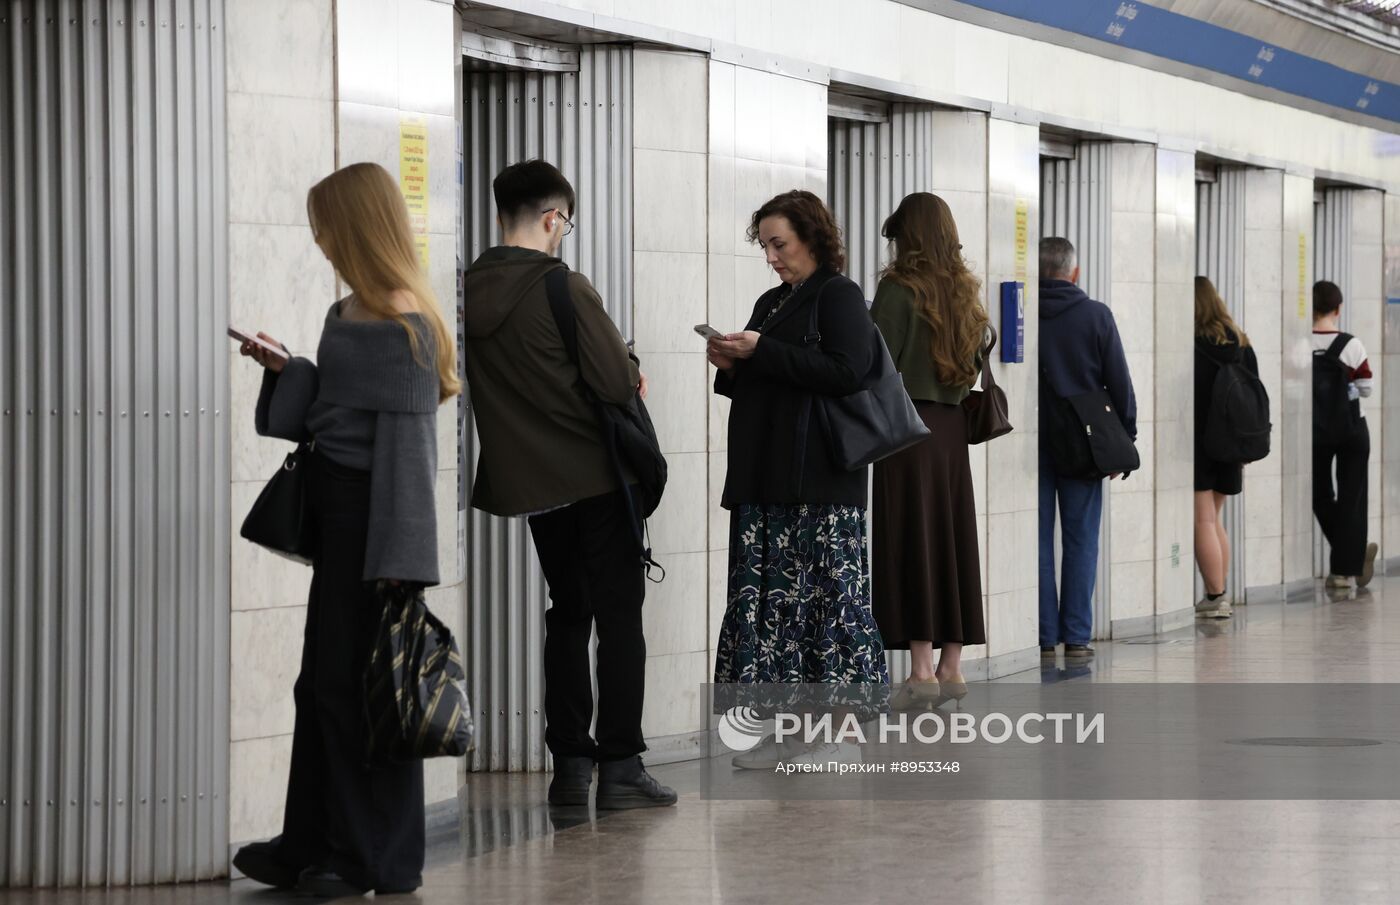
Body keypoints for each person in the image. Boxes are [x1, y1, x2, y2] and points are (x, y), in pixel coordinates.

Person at [233, 162, 459, 897]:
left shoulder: (404, 325)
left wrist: (400, 563)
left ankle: (367, 859)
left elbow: (409, 459)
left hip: (375, 529)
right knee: (323, 686)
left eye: (326, 225)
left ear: (357, 226)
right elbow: (329, 411)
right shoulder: (349, 312)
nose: (319, 239)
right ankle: (312, 841)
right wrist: (284, 367)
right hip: (340, 516)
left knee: (364, 690)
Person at [460, 160, 676, 810]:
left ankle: (570, 767)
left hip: (535, 487)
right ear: (554, 218)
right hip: (598, 478)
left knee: (567, 614)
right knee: (618, 619)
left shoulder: (466, 291)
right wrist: (630, 359)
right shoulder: (564, 286)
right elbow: (614, 382)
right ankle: (621, 765)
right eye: (566, 223)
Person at [708, 190, 889, 768]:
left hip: (819, 484)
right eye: (764, 246)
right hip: (765, 479)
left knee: (826, 607)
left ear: (811, 236)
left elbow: (848, 371)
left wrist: (764, 351)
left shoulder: (838, 295)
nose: (771, 257)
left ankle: (834, 734)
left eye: (778, 244)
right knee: (771, 614)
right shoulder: (771, 301)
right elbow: (769, 379)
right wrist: (733, 366)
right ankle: (786, 732)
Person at [869, 193, 987, 710]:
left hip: (905, 430)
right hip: (952, 431)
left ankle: (920, 672)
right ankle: (952, 665)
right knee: (952, 537)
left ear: (907, 237)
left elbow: (876, 363)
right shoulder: (965, 292)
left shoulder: (898, 289)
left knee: (911, 537)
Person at [1037, 237, 1136, 661]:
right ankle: (1076, 635)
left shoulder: (1021, 310)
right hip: (1085, 440)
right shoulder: (1096, 315)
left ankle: (1043, 636)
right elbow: (1120, 381)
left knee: (1038, 540)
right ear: (1074, 272)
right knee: (1081, 539)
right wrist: (1124, 438)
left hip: (1034, 441)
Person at [1192, 276, 1259, 619]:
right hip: (1232, 442)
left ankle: (1215, 595)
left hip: (1200, 443)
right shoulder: (1240, 341)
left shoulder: (1191, 344)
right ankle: (1220, 591)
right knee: (1215, 518)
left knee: (1202, 519)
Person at [1312, 280, 1379, 590]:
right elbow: (1366, 388)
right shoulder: (1352, 345)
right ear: (1338, 309)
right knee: (1352, 497)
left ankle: (1349, 558)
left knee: (1320, 495)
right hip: (1352, 429)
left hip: (1314, 431)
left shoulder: (1300, 342)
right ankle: (1345, 569)